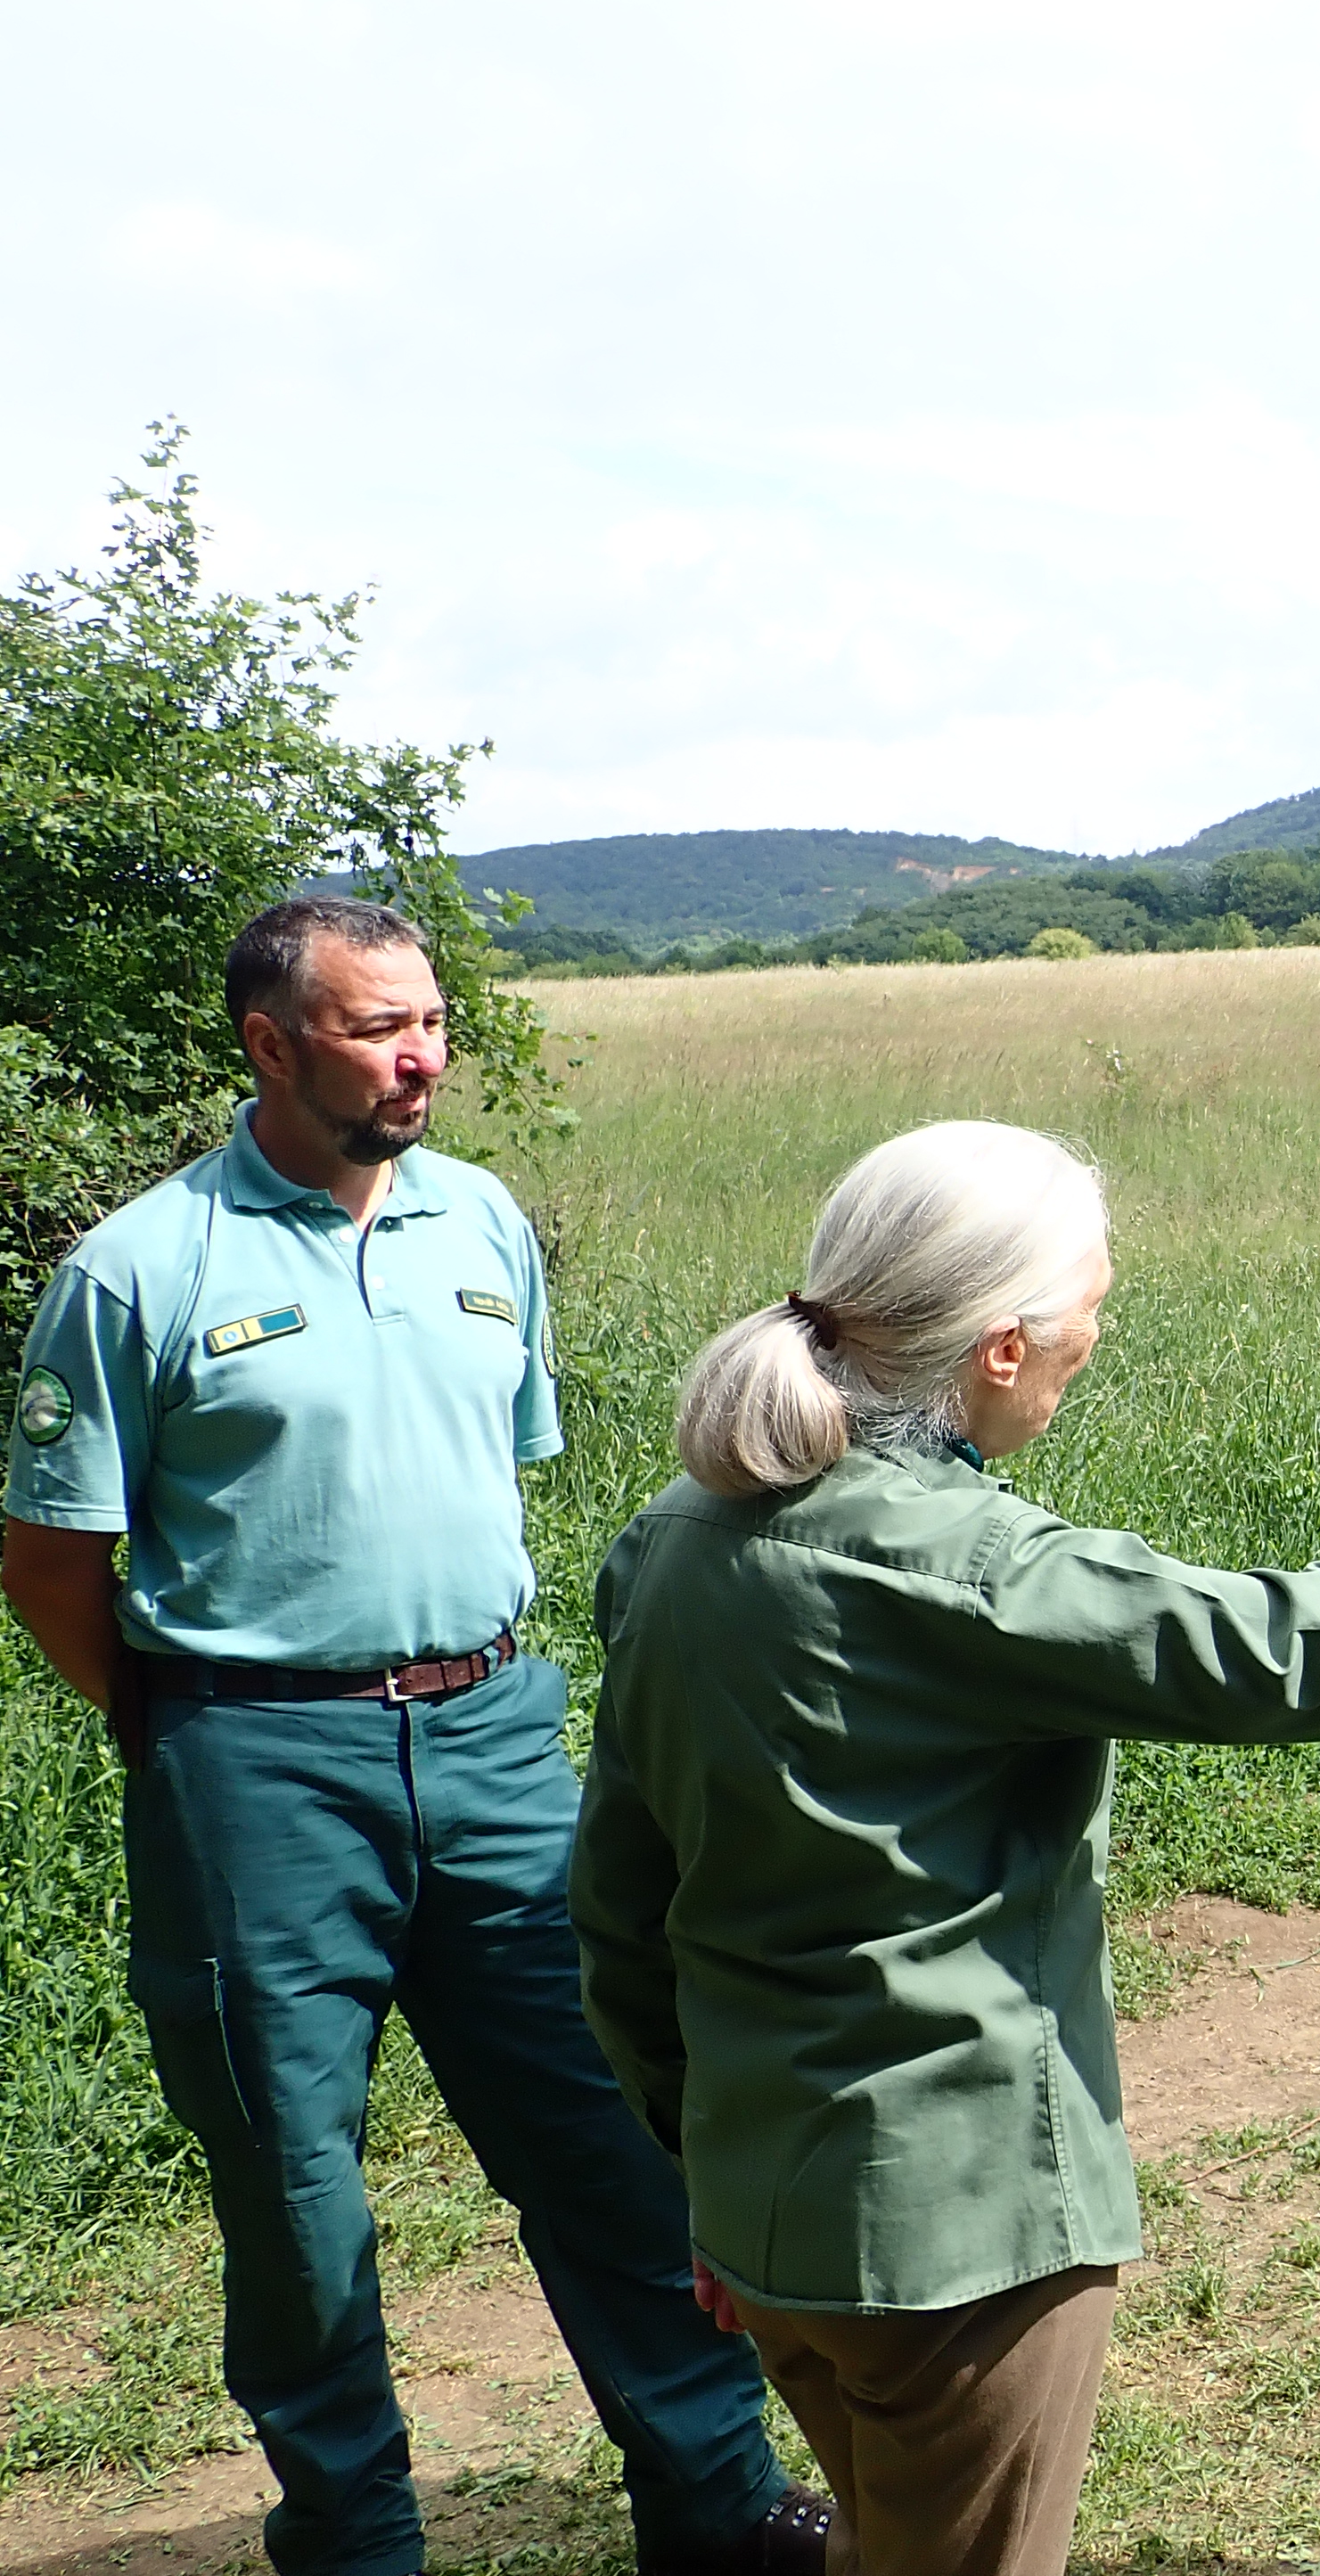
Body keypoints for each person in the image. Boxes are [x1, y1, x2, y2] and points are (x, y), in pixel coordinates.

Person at [570, 1119, 1320, 2576]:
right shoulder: (968, 1570)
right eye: (1089, 1304)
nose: (1102, 1328)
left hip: (773, 2220)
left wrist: (704, 2173)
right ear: (1001, 1349)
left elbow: (621, 1915)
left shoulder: (680, 1535)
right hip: (961, 2242)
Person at [0, 898, 816, 2576]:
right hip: (255, 1773)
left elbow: (497, 1464)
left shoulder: (483, 1223)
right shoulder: (142, 1268)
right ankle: (359, 2543)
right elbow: (49, 1562)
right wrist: (196, 1734)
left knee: (611, 2134)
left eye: (430, 1020)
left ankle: (721, 2509)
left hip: (500, 1741)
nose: (422, 1055)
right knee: (297, 2201)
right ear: (270, 1043)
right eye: (380, 1028)